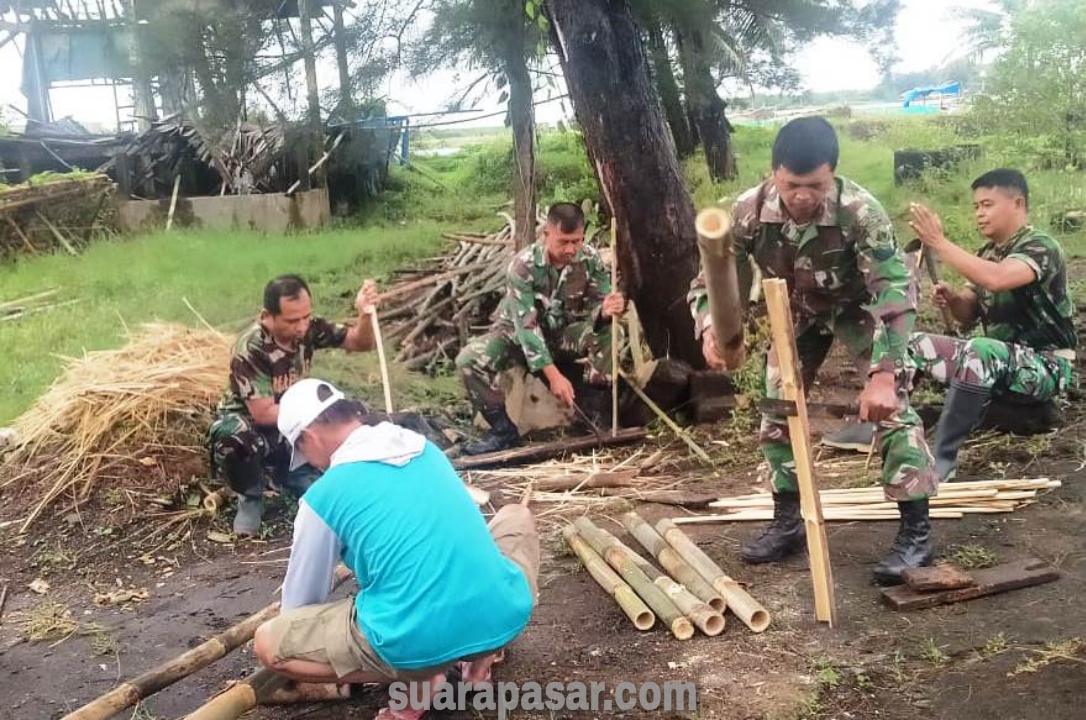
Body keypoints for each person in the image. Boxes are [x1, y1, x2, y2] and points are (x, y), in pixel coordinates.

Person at [688, 116, 938, 585]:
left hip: (859, 307)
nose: (802, 196)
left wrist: (884, 373)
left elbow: (895, 293)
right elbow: (710, 280)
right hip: (795, 309)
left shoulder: (861, 211)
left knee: (893, 407)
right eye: (792, 184)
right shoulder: (746, 212)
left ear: (834, 175)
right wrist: (709, 330)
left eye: (815, 185)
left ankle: (916, 533)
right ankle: (788, 521)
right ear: (774, 174)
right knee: (778, 409)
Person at [253, 379, 538, 720]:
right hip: (501, 616)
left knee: (270, 642)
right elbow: (463, 538)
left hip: (420, 644)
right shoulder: (424, 448)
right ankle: (479, 668)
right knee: (514, 516)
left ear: (309, 437)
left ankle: (420, 677)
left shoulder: (323, 498)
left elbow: (299, 607)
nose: (313, 464)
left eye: (305, 454)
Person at [907, 169, 1077, 481]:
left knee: (981, 349)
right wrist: (954, 298)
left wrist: (938, 242)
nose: (980, 214)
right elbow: (968, 313)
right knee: (913, 344)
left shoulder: (1041, 246)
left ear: (1018, 203)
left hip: (1046, 367)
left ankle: (942, 457)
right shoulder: (987, 253)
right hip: (999, 364)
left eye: (987, 204)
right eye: (976, 207)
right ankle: (891, 428)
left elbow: (997, 279)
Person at [208, 274, 379, 536]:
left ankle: (297, 470)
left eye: (306, 317)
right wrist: (315, 416)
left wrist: (364, 314)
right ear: (268, 315)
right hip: (257, 426)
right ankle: (250, 494)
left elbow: (361, 342)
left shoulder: (308, 328)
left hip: (293, 422)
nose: (301, 327)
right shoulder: (251, 347)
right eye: (292, 320)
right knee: (232, 435)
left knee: (352, 412)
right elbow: (264, 414)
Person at [455, 203, 626, 455]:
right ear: (546, 235)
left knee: (612, 332)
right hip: (516, 336)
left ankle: (596, 411)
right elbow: (526, 328)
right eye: (563, 241)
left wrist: (606, 309)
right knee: (468, 359)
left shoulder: (589, 259)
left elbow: (597, 305)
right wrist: (553, 376)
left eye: (576, 241)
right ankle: (503, 432)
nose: (571, 249)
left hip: (563, 334)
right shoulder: (522, 266)